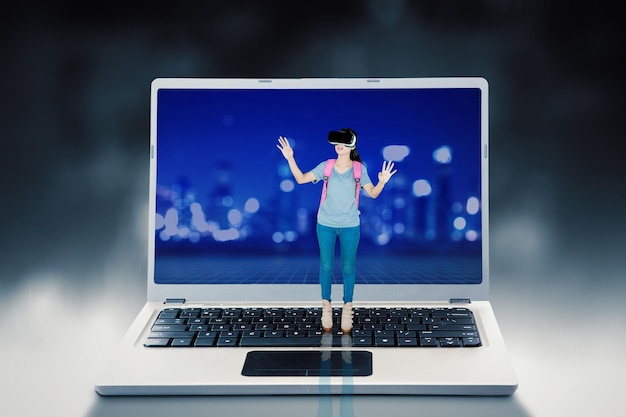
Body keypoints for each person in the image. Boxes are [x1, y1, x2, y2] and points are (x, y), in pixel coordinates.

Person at [276, 128, 397, 332]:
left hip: (350, 225)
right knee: (326, 266)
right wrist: (290, 158)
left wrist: (383, 181)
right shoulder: (327, 166)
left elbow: (373, 194)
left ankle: (347, 308)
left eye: (344, 141)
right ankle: (326, 307)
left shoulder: (359, 169)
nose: (339, 145)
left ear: (352, 144)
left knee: (348, 268)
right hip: (325, 224)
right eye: (337, 141)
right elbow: (301, 179)